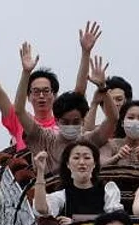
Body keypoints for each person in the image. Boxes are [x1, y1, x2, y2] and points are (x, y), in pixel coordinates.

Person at [0, 22, 101, 150]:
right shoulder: (19, 120)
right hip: (30, 170)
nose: (41, 96)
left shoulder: (65, 121)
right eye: (36, 91)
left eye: (46, 91)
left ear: (55, 95)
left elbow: (79, 93)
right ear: (28, 97)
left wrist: (86, 53)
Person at [15, 43, 118, 173]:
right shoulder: (45, 139)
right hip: (50, 186)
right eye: (66, 122)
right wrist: (26, 73)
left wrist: (103, 88)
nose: (71, 126)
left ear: (83, 121)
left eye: (75, 122)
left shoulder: (89, 140)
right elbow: (19, 110)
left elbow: (113, 119)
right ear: (57, 121)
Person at [32, 143, 123, 225]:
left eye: (87, 158)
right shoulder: (63, 195)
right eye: (76, 158)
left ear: (94, 164)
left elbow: (116, 219)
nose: (82, 162)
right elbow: (41, 209)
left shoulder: (107, 190)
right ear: (68, 164)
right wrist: (40, 171)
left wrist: (75, 222)